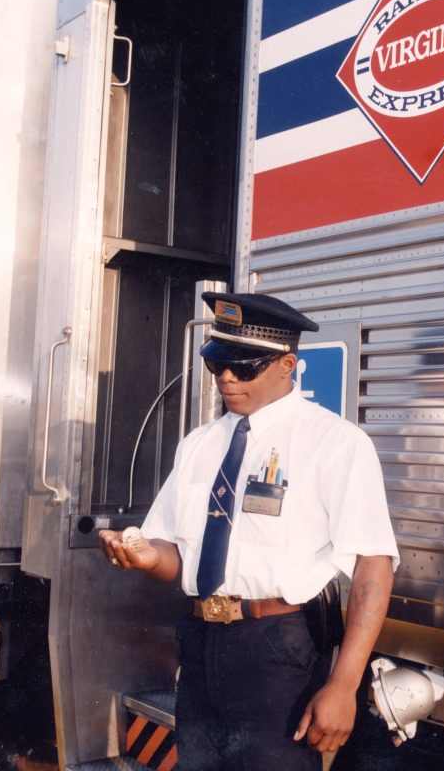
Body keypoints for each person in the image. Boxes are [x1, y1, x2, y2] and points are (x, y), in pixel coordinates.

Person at [100, 292, 399, 770]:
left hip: (275, 649)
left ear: (287, 365)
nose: (226, 378)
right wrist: (145, 556)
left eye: (244, 367)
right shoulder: (200, 445)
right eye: (218, 365)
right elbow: (177, 553)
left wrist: (344, 683)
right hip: (200, 643)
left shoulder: (335, 443)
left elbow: (373, 565)